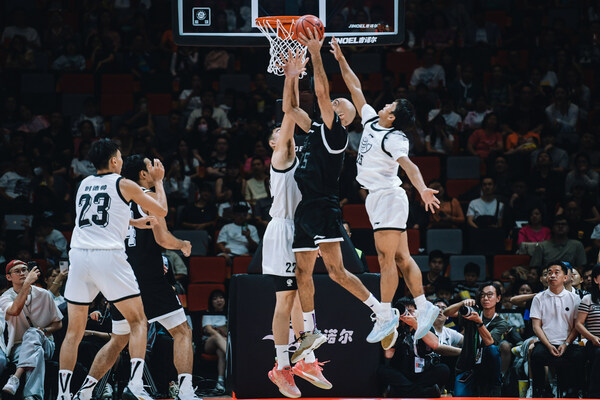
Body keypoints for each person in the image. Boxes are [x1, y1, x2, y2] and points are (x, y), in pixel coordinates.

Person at [280, 37, 388, 361]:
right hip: (305, 208)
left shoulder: (336, 134)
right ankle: (311, 331)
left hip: (325, 206)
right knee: (302, 274)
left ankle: (379, 310)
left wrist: (315, 54)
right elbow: (291, 109)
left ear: (342, 116)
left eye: (338, 104)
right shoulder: (315, 128)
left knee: (337, 272)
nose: (333, 104)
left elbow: (323, 93)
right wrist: (290, 77)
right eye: (335, 103)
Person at [331, 36, 440, 345]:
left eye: (390, 105)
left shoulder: (394, 138)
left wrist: (422, 189)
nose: (385, 103)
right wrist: (341, 59)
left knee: (385, 258)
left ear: (392, 116)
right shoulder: (370, 122)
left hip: (389, 197)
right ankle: (424, 306)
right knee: (403, 258)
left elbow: (410, 167)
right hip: (379, 199)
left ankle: (385, 313)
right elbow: (355, 89)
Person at [69, 154, 198, 400]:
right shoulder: (146, 196)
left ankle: (84, 392)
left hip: (119, 278)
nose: (155, 171)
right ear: (142, 174)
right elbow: (162, 238)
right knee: (182, 331)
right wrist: (182, 244)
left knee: (119, 340)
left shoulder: (114, 198)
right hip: (148, 278)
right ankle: (185, 390)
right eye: (151, 168)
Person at [56, 139, 168, 400]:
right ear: (115, 161)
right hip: (108, 257)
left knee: (73, 332)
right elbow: (160, 210)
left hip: (79, 258)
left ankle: (64, 395)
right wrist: (160, 181)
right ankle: (135, 386)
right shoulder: (124, 183)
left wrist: (131, 221)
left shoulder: (84, 184)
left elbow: (98, 214)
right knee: (139, 321)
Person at [264, 67, 330, 398]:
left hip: (300, 228)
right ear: (273, 142)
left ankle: (304, 358)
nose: (284, 132)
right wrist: (291, 77)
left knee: (295, 299)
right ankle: (281, 367)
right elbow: (288, 113)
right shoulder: (281, 155)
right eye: (279, 132)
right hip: (283, 229)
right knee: (286, 298)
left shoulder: (300, 157)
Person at [0, 259, 63, 399]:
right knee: (36, 351)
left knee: (34, 334)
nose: (22, 273)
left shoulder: (44, 294)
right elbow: (15, 310)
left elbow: (58, 324)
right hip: (18, 347)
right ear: (9, 277)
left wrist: (44, 331)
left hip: (46, 343)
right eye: (17, 271)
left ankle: (16, 377)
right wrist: (27, 284)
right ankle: (32, 396)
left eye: (24, 270)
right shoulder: (5, 298)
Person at [444, 282, 510, 396]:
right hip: (467, 367)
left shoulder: (501, 323)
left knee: (493, 349)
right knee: (459, 397)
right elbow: (446, 312)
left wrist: (478, 322)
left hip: (487, 369)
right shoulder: (472, 313)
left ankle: (497, 380)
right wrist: (461, 303)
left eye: (490, 295)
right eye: (483, 295)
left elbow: (489, 342)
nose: (485, 298)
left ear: (498, 298)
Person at [530, 261, 585, 397]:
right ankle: (541, 392)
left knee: (580, 355)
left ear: (565, 277)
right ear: (545, 278)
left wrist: (566, 344)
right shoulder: (538, 298)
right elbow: (536, 326)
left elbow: (577, 326)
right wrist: (548, 345)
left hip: (567, 343)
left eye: (556, 272)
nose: (552, 276)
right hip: (546, 343)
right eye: (549, 273)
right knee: (536, 355)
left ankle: (574, 392)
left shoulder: (575, 298)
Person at [378, 298, 451, 398]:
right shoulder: (393, 328)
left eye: (411, 311)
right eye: (404, 311)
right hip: (401, 373)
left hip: (423, 373)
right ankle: (420, 392)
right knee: (383, 370)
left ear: (417, 312)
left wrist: (415, 325)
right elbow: (388, 355)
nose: (408, 314)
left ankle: (405, 392)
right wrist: (395, 329)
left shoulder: (424, 326)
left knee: (443, 369)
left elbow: (435, 344)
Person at [575, 264, 600, 397]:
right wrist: (592, 338)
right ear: (596, 280)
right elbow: (579, 324)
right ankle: (595, 394)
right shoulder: (588, 299)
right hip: (594, 342)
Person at [201, 290, 227, 392]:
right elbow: (208, 329)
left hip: (223, 344)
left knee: (221, 352)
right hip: (209, 343)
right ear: (211, 302)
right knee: (216, 338)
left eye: (221, 298)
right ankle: (233, 358)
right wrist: (222, 338)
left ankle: (220, 382)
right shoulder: (208, 313)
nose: (218, 301)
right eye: (215, 299)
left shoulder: (228, 313)